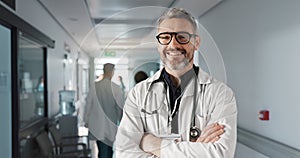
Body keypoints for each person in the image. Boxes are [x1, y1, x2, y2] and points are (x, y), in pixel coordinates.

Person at [115, 8, 237, 158]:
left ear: (196, 42)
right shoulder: (138, 93)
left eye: (182, 36)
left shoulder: (220, 94)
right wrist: (196, 149)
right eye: (165, 37)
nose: (173, 44)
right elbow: (123, 153)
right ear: (158, 44)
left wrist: (154, 144)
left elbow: (221, 154)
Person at [84, 63, 125, 158]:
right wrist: (122, 123)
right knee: (107, 151)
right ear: (112, 72)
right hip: (110, 126)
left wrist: (86, 120)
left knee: (102, 150)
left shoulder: (94, 86)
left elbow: (88, 105)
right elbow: (120, 108)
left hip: (97, 126)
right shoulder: (115, 88)